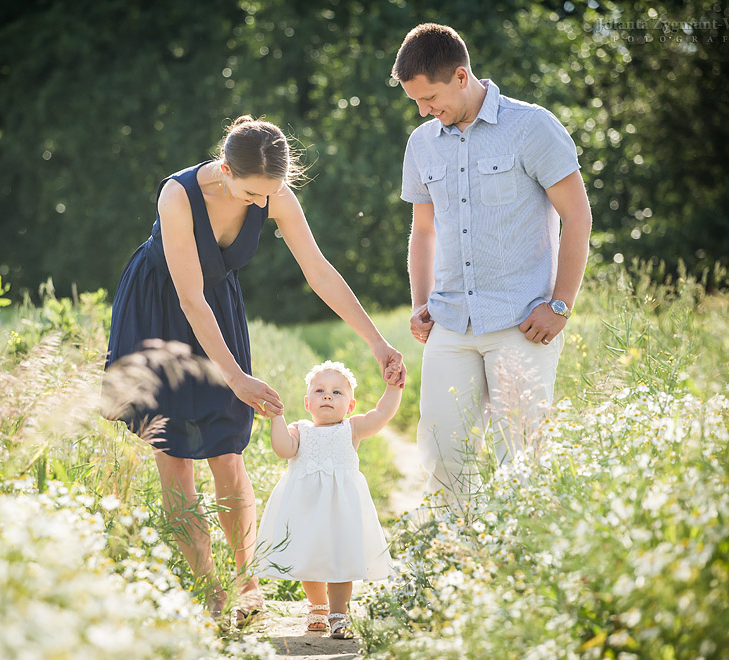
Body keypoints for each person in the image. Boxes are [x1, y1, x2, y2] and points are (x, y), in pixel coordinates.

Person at [104, 116, 406, 624]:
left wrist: (376, 341)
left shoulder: (273, 194)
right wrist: (236, 377)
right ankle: (210, 592)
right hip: (160, 312)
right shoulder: (178, 196)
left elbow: (318, 270)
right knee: (174, 456)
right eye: (251, 194)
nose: (260, 203)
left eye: (268, 194)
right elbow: (189, 298)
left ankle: (248, 587)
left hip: (219, 312)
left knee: (227, 451)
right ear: (225, 170)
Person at [392, 24, 592, 499]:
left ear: (461, 76)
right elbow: (424, 231)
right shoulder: (422, 143)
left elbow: (578, 217)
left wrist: (560, 305)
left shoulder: (532, 127)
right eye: (416, 101)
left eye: (430, 97)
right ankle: (452, 543)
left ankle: (517, 545)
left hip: (521, 322)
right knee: (442, 453)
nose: (423, 110)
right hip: (449, 323)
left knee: (520, 457)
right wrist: (420, 303)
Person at [254, 361, 399, 639]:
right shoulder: (299, 429)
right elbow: (284, 450)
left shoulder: (352, 429)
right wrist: (277, 418)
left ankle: (339, 613)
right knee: (309, 556)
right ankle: (318, 606)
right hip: (306, 510)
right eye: (319, 391)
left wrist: (393, 387)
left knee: (340, 559)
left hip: (341, 511)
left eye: (337, 392)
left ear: (351, 405)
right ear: (307, 402)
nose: (328, 396)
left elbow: (381, 414)